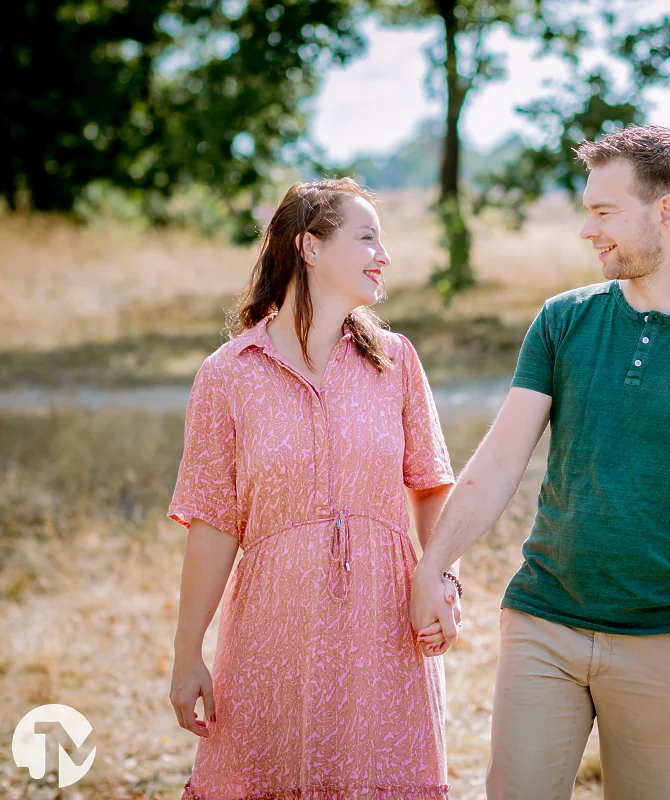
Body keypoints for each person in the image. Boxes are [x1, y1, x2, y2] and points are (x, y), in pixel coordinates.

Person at [409, 125, 670, 799]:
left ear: (665, 213)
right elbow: (499, 460)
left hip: (664, 637)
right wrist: (432, 564)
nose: (589, 229)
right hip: (542, 621)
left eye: (605, 212)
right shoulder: (563, 321)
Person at [167, 178, 462, 800]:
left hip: (385, 626)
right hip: (274, 628)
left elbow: (432, 485)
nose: (384, 255)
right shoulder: (228, 376)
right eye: (366, 237)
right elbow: (214, 524)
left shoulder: (396, 361)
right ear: (309, 247)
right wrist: (188, 651)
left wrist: (441, 581)